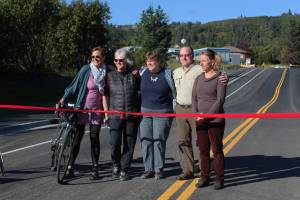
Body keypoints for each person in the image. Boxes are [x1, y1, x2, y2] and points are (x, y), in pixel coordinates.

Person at [173, 46, 228, 180]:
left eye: (187, 55)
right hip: (183, 109)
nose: (184, 57)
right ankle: (189, 170)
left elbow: (219, 79)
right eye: (181, 55)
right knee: (183, 141)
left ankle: (209, 171)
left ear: (192, 56)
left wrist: (226, 76)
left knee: (206, 145)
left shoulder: (200, 70)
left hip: (202, 112)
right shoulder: (175, 72)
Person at [59, 46, 108, 179]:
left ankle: (95, 168)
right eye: (92, 57)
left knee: (94, 139)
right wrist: (63, 98)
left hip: (97, 110)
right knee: (77, 138)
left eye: (97, 57)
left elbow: (109, 89)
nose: (95, 59)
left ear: (103, 58)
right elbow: (74, 85)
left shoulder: (106, 71)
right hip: (82, 109)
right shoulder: (86, 70)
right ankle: (70, 167)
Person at [192, 49, 226, 190]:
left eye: (204, 60)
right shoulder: (198, 78)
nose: (201, 63)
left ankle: (219, 178)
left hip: (215, 121)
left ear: (212, 62)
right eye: (201, 60)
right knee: (203, 150)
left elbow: (220, 100)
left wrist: (206, 116)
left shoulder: (220, 78)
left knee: (217, 150)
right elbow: (194, 98)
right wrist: (196, 114)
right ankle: (204, 176)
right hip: (200, 120)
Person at [139, 50, 176, 180]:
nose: (149, 62)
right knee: (146, 141)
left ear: (159, 62)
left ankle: (158, 169)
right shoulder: (142, 72)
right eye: (147, 60)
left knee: (158, 141)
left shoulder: (167, 73)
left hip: (162, 112)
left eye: (152, 60)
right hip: (145, 113)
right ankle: (148, 169)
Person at [105, 48, 141, 181]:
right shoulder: (109, 76)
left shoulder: (134, 75)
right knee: (114, 143)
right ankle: (116, 164)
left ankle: (124, 169)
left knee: (129, 144)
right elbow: (105, 95)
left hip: (131, 115)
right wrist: (106, 113)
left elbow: (143, 89)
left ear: (126, 61)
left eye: (121, 60)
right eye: (116, 60)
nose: (119, 62)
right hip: (115, 115)